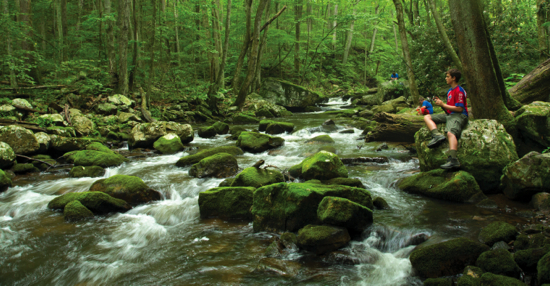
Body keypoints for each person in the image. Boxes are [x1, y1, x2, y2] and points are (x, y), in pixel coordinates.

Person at [423, 69, 469, 169]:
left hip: (459, 115)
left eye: (448, 76)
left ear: (454, 78)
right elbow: (448, 110)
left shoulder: (459, 90)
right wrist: (441, 105)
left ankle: (453, 159)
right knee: (427, 117)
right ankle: (436, 135)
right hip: (450, 115)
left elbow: (460, 109)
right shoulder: (450, 91)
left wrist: (443, 104)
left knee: (450, 133)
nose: (446, 78)